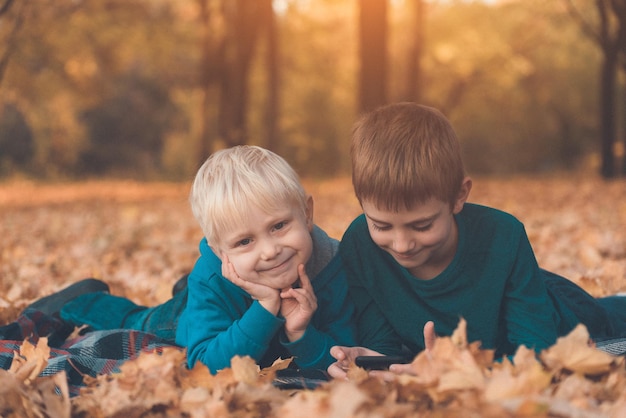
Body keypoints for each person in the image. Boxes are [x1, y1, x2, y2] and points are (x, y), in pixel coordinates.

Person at [327, 102, 626, 379]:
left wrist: (459, 371)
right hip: (490, 337)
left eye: (422, 225)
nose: (402, 244)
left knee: (611, 316)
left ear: (459, 197)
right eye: (381, 225)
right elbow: (385, 346)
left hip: (561, 313)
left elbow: (535, 354)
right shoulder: (358, 243)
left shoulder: (503, 236)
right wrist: (370, 359)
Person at [58, 145, 356, 373]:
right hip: (191, 317)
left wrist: (300, 332)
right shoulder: (213, 276)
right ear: (219, 251)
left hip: (220, 303)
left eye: (278, 226)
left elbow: (342, 357)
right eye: (244, 241)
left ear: (307, 215)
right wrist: (265, 308)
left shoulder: (334, 265)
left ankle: (185, 290)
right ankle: (82, 299)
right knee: (141, 320)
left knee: (194, 298)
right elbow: (206, 366)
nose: (269, 251)